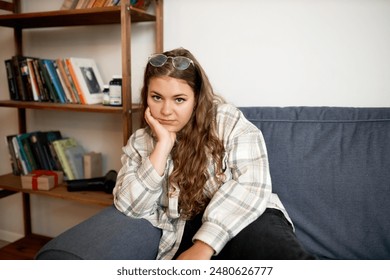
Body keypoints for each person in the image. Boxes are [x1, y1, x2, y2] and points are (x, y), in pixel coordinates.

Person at [113, 47, 314, 260]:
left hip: (246, 214)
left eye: (179, 99)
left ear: (197, 98)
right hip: (185, 228)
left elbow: (251, 184)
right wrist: (162, 146)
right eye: (156, 97)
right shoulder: (140, 142)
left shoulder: (227, 121)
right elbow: (130, 207)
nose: (165, 111)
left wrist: (204, 245)